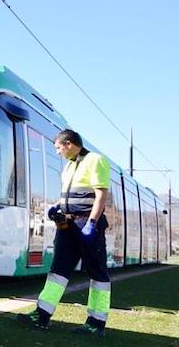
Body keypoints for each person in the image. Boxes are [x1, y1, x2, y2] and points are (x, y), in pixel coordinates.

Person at [18, 129, 112, 336]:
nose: (58, 152)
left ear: (68, 144)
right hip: (67, 225)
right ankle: (42, 314)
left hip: (87, 224)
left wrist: (92, 223)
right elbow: (69, 195)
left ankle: (96, 323)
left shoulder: (95, 160)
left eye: (58, 148)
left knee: (97, 271)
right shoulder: (69, 166)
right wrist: (56, 206)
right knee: (58, 270)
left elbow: (100, 195)